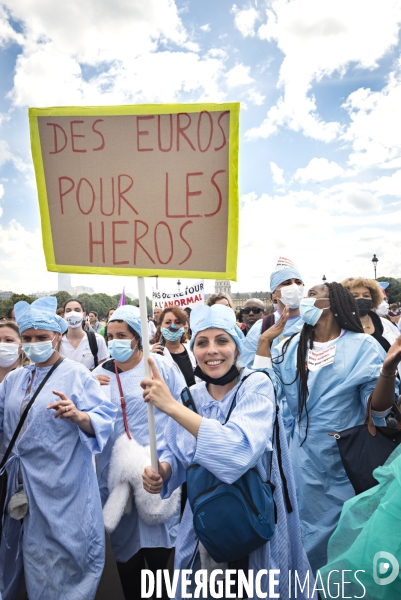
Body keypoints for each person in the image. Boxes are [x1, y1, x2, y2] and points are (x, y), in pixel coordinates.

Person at [142, 304, 315, 599]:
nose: (212, 351)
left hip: (255, 517)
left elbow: (236, 452)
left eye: (222, 340)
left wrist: (169, 405)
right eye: (202, 342)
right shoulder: (190, 396)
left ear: (237, 345)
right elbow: (177, 452)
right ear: (192, 348)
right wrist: (164, 471)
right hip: (207, 520)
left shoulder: (256, 386)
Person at [254, 281, 401, 574]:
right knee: (299, 537)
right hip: (299, 460)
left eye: (312, 294)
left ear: (331, 303)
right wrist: (263, 345)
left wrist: (387, 371)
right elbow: (264, 395)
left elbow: (378, 408)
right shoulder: (290, 345)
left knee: (342, 542)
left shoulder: (363, 346)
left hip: (345, 463)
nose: (305, 298)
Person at [0, 296, 117, 600]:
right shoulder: (14, 379)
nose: (33, 343)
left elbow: (105, 419)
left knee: (62, 561)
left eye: (41, 337)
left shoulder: (77, 374)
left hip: (63, 488)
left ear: (57, 336)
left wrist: (80, 416)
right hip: (19, 485)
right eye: (27, 338)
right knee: (19, 555)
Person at [92, 305, 186, 600]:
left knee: (159, 562)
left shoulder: (159, 366)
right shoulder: (97, 375)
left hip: (155, 475)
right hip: (116, 477)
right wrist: (87, 389)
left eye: (123, 334)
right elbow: (88, 423)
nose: (115, 340)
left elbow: (183, 410)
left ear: (137, 337)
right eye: (111, 335)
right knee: (127, 560)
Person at [238, 257, 305, 369]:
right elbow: (246, 370)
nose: (294, 286)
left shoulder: (316, 322)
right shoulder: (262, 327)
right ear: (274, 293)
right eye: (287, 283)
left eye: (298, 282)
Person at [151, 307, 196, 387]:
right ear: (161, 327)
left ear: (183, 326)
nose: (172, 326)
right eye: (168, 322)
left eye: (177, 322)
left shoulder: (192, 350)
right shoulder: (156, 354)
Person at [59, 298, 109, 370]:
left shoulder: (97, 340)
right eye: (68, 311)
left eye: (77, 310)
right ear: (63, 315)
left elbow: (103, 370)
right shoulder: (57, 342)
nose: (73, 314)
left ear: (84, 314)